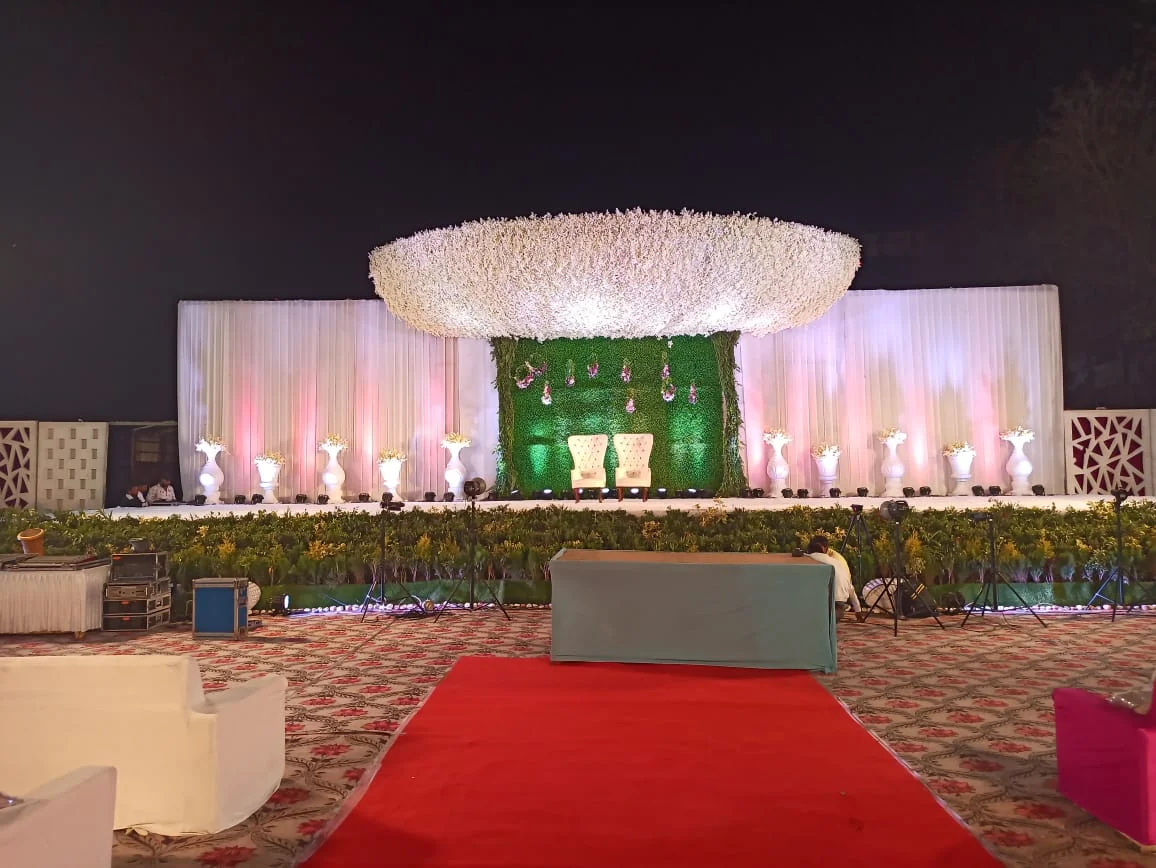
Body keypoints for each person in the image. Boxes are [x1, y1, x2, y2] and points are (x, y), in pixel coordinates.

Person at [806, 535, 865, 621]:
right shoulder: (838, 562)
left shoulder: (808, 559)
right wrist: (858, 609)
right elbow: (850, 587)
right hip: (839, 609)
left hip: (821, 607)